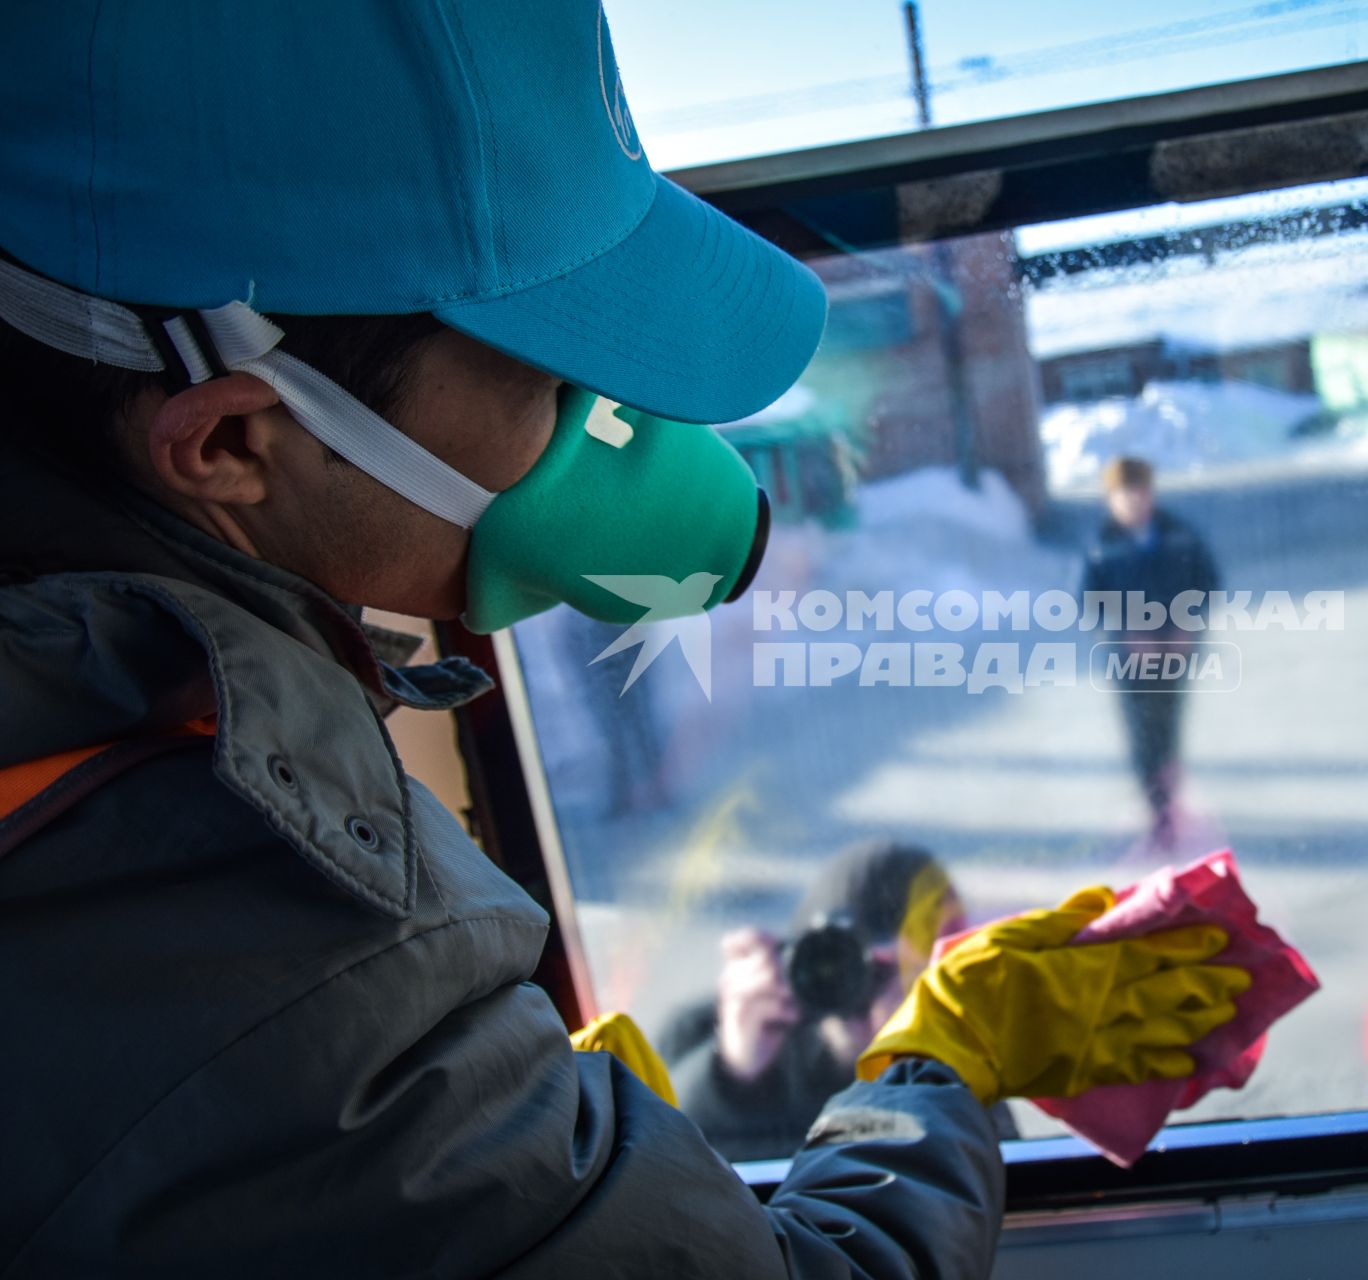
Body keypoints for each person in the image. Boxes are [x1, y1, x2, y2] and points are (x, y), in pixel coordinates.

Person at [0, 5, 1250, 1275]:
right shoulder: (261, 941)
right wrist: (941, 1060)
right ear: (228, 442)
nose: (629, 433)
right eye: (555, 387)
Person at [657, 842, 1020, 1160]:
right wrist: (733, 1072)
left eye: (945, 959)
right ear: (802, 958)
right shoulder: (709, 1033)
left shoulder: (957, 1054)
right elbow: (659, 1181)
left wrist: (916, 1061)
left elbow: (999, 1181)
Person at [1080, 456, 1222, 842]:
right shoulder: (1103, 546)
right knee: (1142, 732)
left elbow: (1206, 581)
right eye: (1123, 496)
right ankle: (1156, 809)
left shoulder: (1179, 534)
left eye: (1140, 493)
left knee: (1168, 725)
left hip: (1174, 650)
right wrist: (1126, 631)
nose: (1134, 503)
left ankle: (1170, 794)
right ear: (1111, 500)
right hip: (1132, 659)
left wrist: (1187, 624)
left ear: (1151, 494)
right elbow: (1092, 601)